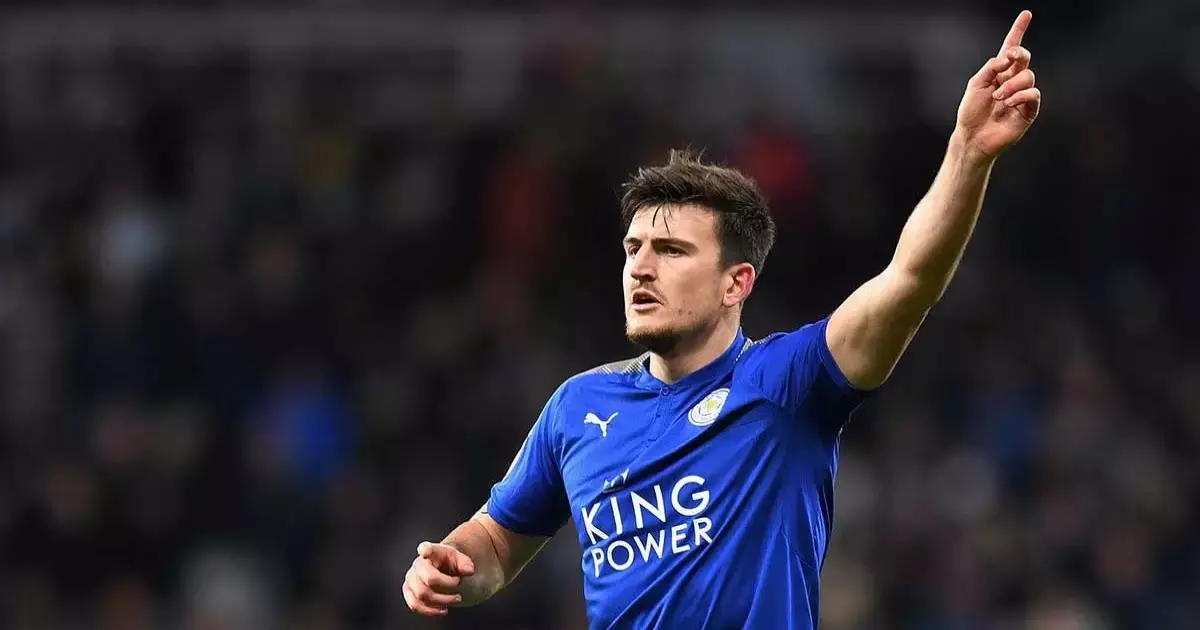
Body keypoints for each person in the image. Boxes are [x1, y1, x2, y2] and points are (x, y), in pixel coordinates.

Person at [404, 10, 1041, 629]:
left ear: (736, 282)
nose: (640, 268)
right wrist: (452, 563)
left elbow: (909, 281)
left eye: (671, 251)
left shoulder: (789, 382)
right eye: (633, 249)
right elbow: (497, 541)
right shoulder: (577, 408)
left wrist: (968, 151)